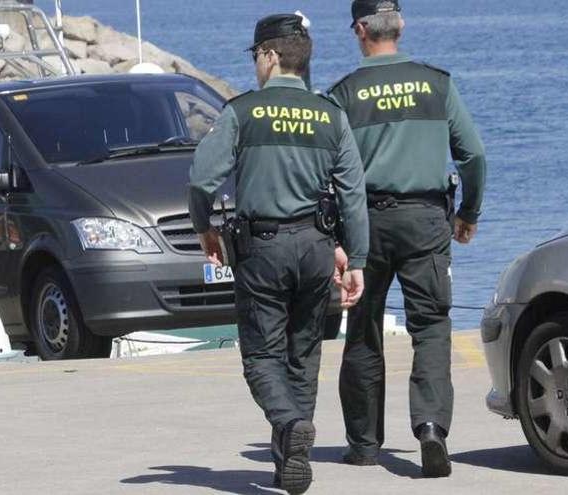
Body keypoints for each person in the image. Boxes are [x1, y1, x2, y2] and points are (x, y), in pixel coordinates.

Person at [188, 13, 369, 494]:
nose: (255, 65)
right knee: (303, 357)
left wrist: (204, 227)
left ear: (269, 55)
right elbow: (353, 195)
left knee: (261, 357)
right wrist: (359, 261)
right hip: (315, 248)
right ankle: (289, 463)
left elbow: (200, 179)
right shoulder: (332, 115)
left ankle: (289, 426)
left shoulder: (242, 112)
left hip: (263, 249)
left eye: (255, 56)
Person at [328, 0, 487, 477]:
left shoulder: (344, 93)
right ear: (400, 25)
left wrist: (335, 235)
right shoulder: (436, 83)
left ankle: (364, 443)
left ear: (360, 29)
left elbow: (328, 171)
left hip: (366, 223)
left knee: (363, 328)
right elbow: (473, 155)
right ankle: (432, 426)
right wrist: (468, 213)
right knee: (432, 327)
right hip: (426, 219)